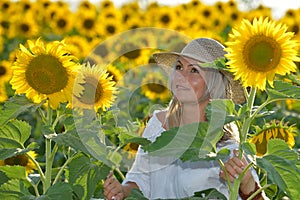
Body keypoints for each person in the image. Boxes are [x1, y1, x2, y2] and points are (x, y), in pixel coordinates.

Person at [103, 38, 265, 200]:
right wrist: (122, 191)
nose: (181, 76)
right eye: (179, 67)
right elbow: (141, 180)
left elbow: (256, 195)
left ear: (213, 83)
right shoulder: (159, 124)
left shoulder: (228, 146)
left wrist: (247, 184)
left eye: (194, 70)